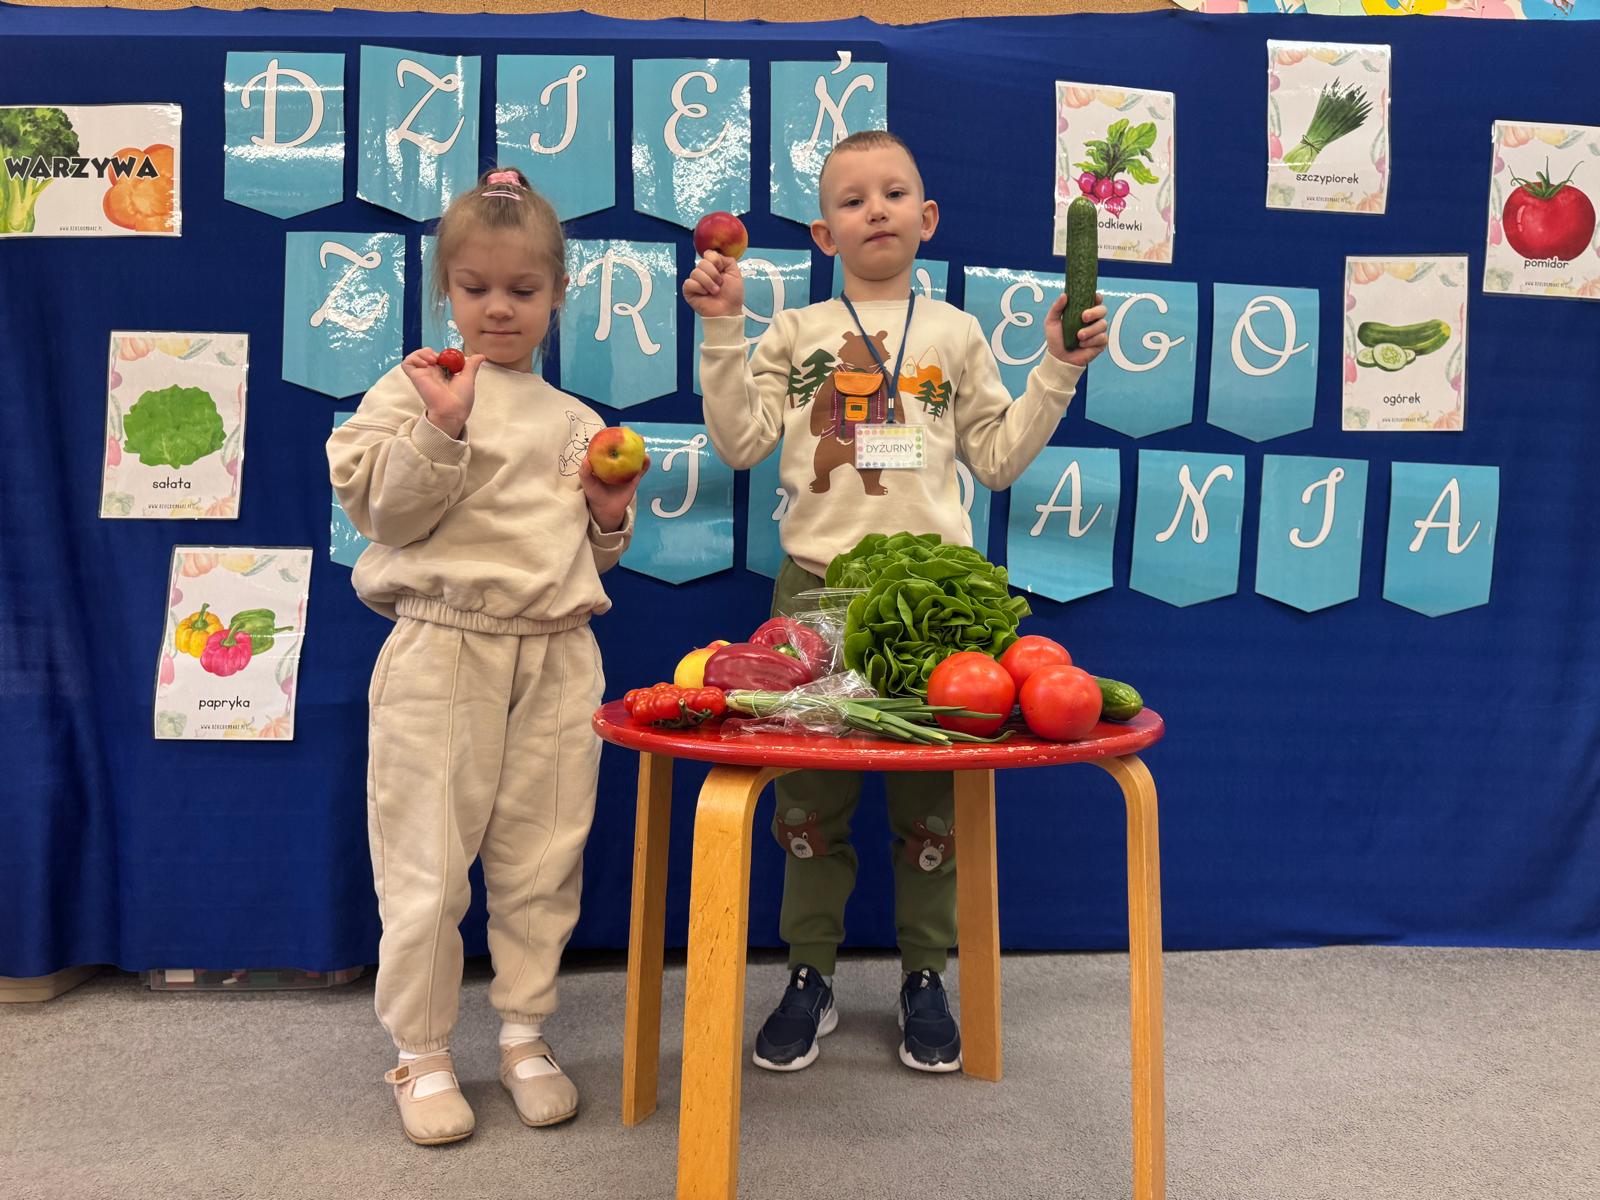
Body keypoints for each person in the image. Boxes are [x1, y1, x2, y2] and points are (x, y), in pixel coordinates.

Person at [683, 130, 1108, 1074]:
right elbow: (742, 444)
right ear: (823, 234)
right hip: (814, 594)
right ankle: (809, 971)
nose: (874, 209)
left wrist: (1059, 367)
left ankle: (925, 975)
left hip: (937, 607)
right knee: (807, 804)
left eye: (893, 193)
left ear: (928, 218)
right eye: (851, 199)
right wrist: (724, 326)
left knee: (932, 808)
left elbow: (997, 459)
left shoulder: (955, 333)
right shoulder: (794, 331)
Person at [328, 167, 646, 1144]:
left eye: (521, 288)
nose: (498, 308)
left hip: (557, 652)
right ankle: (420, 1051)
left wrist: (606, 515)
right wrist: (440, 425)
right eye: (475, 287)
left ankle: (523, 1034)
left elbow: (585, 554)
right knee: (426, 856)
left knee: (543, 855)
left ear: (557, 294)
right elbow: (383, 513)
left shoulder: (577, 421)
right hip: (444, 647)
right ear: (446, 290)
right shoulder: (415, 386)